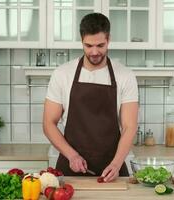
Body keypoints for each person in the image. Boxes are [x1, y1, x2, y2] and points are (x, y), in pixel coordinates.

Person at [43, 13, 138, 182]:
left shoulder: (125, 75)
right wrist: (72, 156)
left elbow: (129, 126)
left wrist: (116, 164)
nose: (94, 52)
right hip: (70, 166)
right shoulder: (62, 74)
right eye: (88, 45)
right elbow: (48, 123)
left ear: (109, 40)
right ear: (81, 40)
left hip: (112, 168)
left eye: (100, 45)